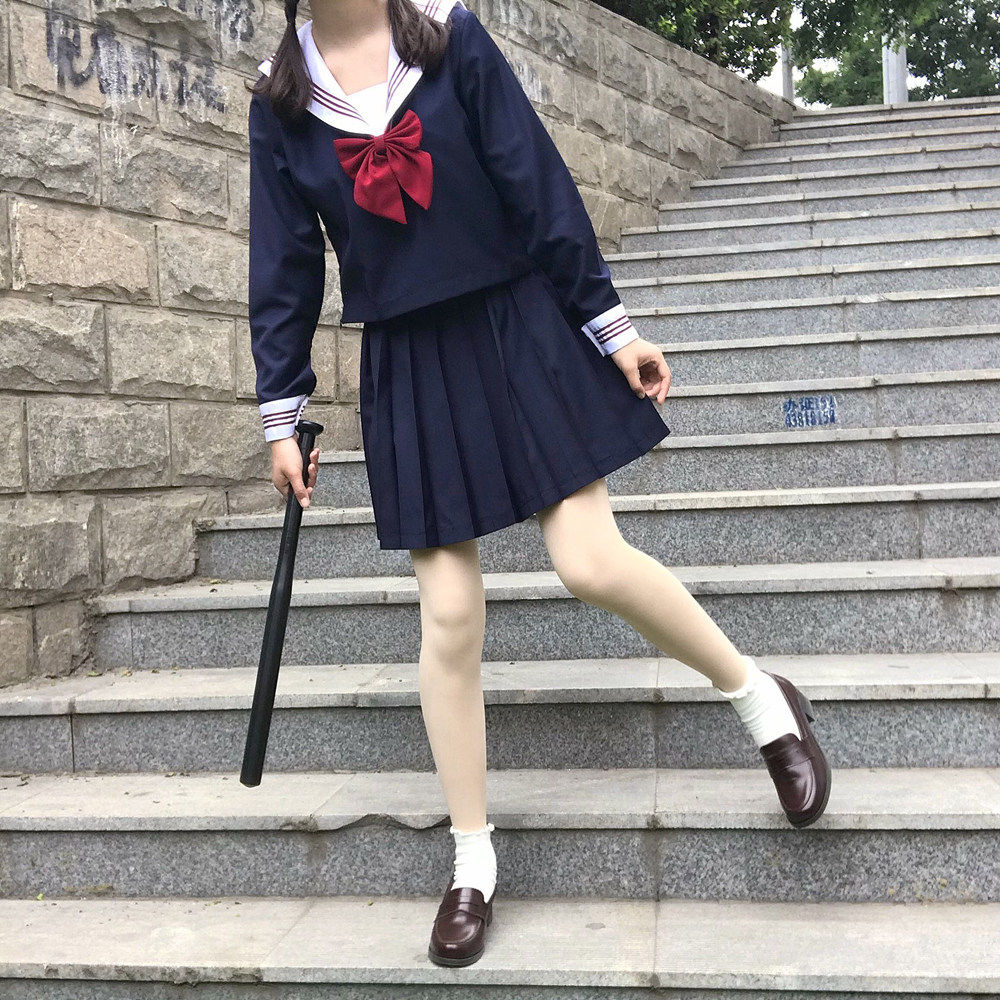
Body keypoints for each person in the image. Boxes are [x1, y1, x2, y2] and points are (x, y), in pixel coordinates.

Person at [247, 0, 831, 969]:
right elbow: (285, 263)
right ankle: (471, 860)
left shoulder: (451, 40)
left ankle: (762, 700)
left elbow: (535, 181)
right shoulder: (281, 102)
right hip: (408, 361)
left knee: (590, 561)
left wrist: (611, 327)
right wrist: (282, 412)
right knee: (449, 615)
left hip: (515, 326)